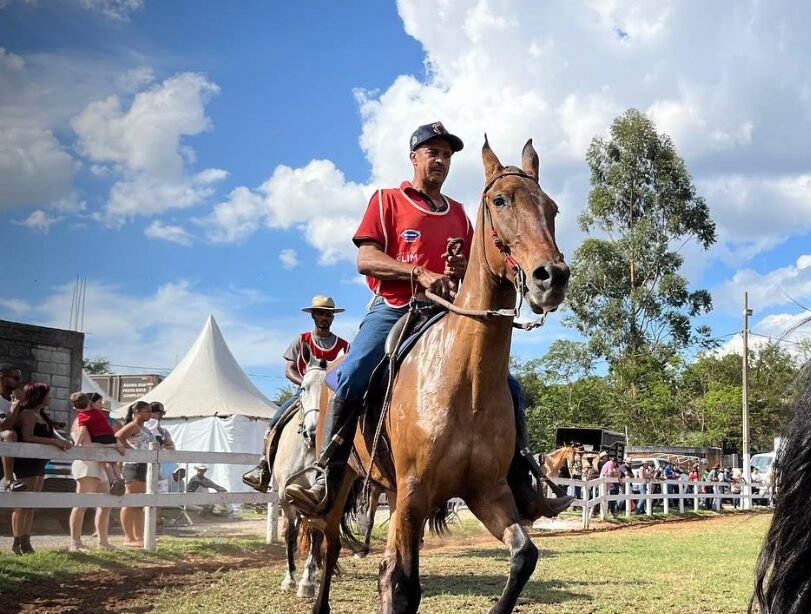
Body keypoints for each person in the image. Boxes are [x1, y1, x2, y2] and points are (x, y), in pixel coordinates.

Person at [284, 121, 574, 521]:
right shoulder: (387, 200)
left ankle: (523, 483)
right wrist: (416, 272)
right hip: (394, 307)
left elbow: (478, 266)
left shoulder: (458, 213)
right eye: (432, 152)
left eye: (447, 154)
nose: (440, 160)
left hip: (445, 312)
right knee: (350, 375)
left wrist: (459, 268)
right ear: (415, 157)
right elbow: (365, 259)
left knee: (509, 385)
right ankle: (324, 476)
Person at [242, 296, 350, 491]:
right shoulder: (301, 341)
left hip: (333, 398)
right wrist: (307, 384)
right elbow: (289, 369)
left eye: (328, 314)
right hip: (305, 393)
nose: (325, 317)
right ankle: (263, 467)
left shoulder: (344, 346)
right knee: (275, 421)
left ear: (333, 317)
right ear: (313, 316)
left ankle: (355, 477)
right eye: (321, 313)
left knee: (353, 426)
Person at [8, 382, 73, 554]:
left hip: (39, 463)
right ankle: (17, 541)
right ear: (39, 396)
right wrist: (54, 442)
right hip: (26, 463)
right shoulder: (28, 414)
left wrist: (63, 440)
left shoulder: (42, 415)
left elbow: (53, 433)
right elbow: (28, 437)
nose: (50, 397)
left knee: (31, 504)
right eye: (47, 394)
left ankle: (26, 540)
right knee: (22, 504)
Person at [67, 391, 122, 551]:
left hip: (100, 465)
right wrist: (112, 445)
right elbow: (86, 445)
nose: (101, 407)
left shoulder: (98, 419)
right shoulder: (82, 420)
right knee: (81, 504)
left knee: (105, 505)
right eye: (98, 404)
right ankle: (75, 543)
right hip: (87, 465)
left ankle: (103, 541)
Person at [114, 401, 156, 548]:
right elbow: (118, 436)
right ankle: (128, 537)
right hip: (134, 466)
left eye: (150, 411)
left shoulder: (145, 428)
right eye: (147, 411)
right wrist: (131, 451)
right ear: (137, 412)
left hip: (145, 466)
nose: (149, 414)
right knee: (130, 502)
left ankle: (138, 536)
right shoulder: (133, 426)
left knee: (139, 505)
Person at [0, 365, 25, 491]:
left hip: (8, 453)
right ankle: (9, 480)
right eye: (15, 378)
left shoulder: (14, 398)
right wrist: (16, 405)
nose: (19, 382)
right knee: (9, 434)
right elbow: (4, 425)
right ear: (2, 376)